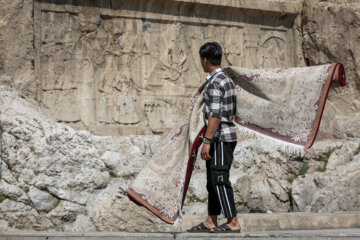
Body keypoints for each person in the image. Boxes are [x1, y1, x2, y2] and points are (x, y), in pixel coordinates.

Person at [188, 42, 241, 233]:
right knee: (212, 181)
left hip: (220, 138)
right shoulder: (225, 78)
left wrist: (207, 141)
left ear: (204, 60)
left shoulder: (215, 82)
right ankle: (211, 219)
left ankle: (233, 221)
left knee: (219, 178)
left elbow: (215, 115)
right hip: (223, 136)